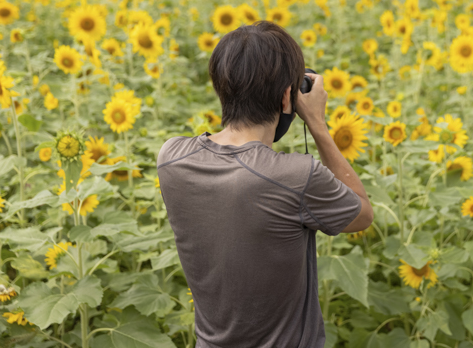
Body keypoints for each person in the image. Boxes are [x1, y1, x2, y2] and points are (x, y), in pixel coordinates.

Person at [156, 21, 374, 348]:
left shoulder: (171, 158)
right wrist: (317, 124)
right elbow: (362, 214)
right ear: (288, 97)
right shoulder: (296, 176)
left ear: (221, 88)